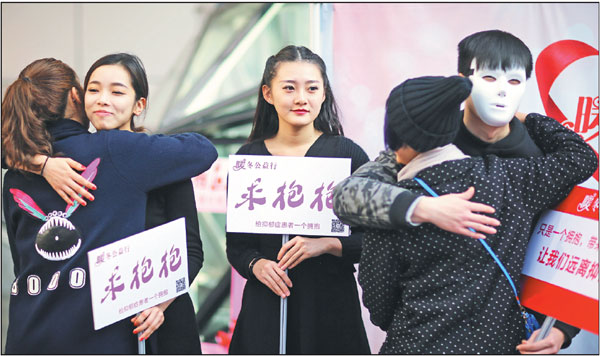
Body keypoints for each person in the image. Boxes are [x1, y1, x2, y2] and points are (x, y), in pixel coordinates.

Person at [332, 29, 580, 353]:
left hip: (514, 335)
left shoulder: (542, 158)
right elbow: (348, 195)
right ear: (464, 82)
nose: (502, 92)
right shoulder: (426, 141)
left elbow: (576, 238)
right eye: (489, 78)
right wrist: (423, 208)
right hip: (424, 335)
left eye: (514, 82)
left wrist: (562, 326)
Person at [1, 58, 217, 354]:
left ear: (139, 103)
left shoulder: (15, 172)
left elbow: (21, 260)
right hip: (98, 334)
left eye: (117, 92)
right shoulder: (115, 149)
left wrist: (39, 163)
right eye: (94, 90)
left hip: (28, 333)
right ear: (78, 96)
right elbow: (203, 149)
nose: (103, 100)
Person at [225, 45, 371, 354]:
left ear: (324, 94)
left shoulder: (348, 155)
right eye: (289, 88)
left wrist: (327, 244)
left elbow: (375, 239)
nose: (301, 98)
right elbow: (237, 246)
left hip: (330, 309)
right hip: (266, 307)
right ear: (268, 93)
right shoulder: (248, 159)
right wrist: (257, 264)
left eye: (312, 88)